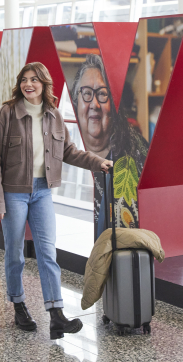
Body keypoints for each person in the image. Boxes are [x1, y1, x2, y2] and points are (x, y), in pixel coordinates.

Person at [0, 62, 112, 339]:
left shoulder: (53, 115)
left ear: (44, 84)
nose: (28, 84)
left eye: (34, 80)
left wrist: (97, 162)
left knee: (47, 253)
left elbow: (68, 151)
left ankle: (56, 315)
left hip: (42, 191)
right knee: (15, 254)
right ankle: (19, 305)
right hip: (13, 192)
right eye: (24, 80)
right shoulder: (6, 114)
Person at [70, 55, 148, 236]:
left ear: (114, 103)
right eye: (87, 93)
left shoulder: (138, 152)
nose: (94, 104)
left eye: (103, 94)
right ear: (76, 100)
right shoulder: (65, 146)